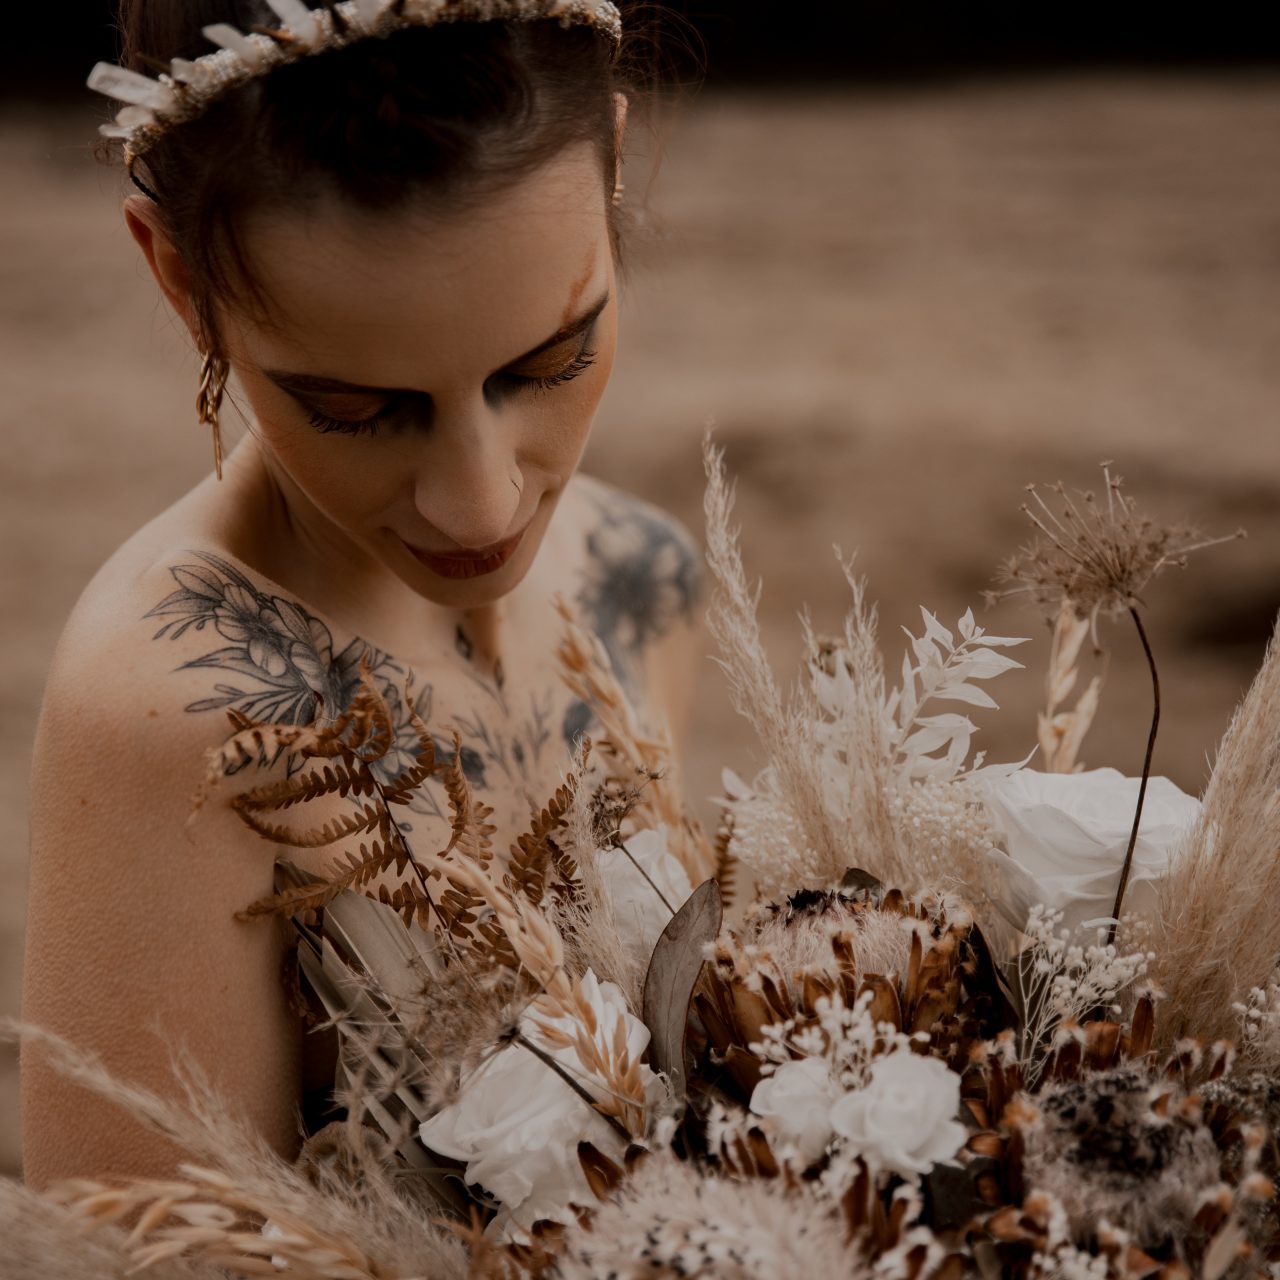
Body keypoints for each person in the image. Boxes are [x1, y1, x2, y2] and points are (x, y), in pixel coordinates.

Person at [22, 0, 701, 1188]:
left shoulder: (642, 579)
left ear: (613, 170)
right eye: (356, 406)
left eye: (549, 362)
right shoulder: (171, 712)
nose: (482, 506)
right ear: (178, 277)